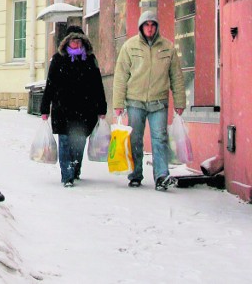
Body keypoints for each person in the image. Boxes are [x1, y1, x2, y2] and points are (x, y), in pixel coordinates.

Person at [113, 10, 186, 191]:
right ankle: (135, 174)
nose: (150, 28)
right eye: (147, 25)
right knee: (135, 139)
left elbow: (176, 76)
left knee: (159, 138)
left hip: (158, 102)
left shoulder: (167, 48)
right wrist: (118, 103)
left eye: (153, 25)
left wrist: (179, 102)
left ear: (157, 27)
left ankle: (161, 175)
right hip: (135, 101)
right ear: (141, 27)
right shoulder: (130, 47)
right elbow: (121, 76)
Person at [40, 25, 107, 187]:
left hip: (84, 110)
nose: (76, 43)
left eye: (78, 40)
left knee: (78, 143)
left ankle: (76, 168)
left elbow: (98, 84)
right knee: (64, 141)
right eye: (73, 40)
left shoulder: (90, 60)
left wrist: (101, 108)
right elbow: (50, 85)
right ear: (67, 42)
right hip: (62, 109)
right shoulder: (58, 59)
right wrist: (45, 108)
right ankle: (67, 175)